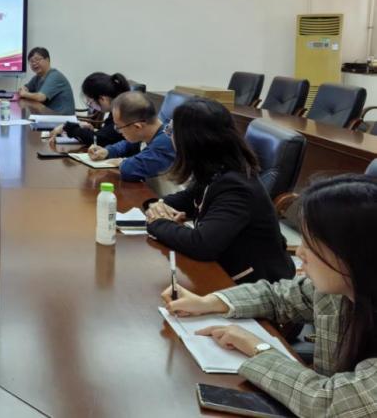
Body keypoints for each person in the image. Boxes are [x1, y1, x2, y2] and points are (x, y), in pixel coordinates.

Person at [162, 175, 377, 417]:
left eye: (312, 244)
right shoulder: (340, 290)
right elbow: (278, 296)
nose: (300, 253)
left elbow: (326, 404)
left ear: (356, 251)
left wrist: (258, 348)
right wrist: (208, 302)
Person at [145, 97, 294, 284]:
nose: (170, 136)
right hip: (225, 266)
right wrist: (156, 205)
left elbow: (202, 245)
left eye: (172, 131)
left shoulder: (237, 187)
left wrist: (157, 222)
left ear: (191, 141)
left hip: (256, 284)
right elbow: (186, 199)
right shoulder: (216, 168)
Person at [87, 91, 175, 182]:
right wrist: (107, 151)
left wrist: (122, 162)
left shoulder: (167, 140)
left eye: (119, 127)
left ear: (137, 127)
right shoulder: (148, 131)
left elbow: (130, 169)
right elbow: (127, 144)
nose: (119, 131)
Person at [49, 71, 130, 150]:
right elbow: (105, 135)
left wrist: (68, 127)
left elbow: (98, 140)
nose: (91, 106)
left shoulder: (123, 114)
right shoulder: (116, 109)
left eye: (90, 102)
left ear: (102, 99)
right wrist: (81, 127)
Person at [17, 46, 75, 115]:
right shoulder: (37, 77)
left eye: (37, 59)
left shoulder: (55, 76)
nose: (34, 63)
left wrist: (25, 94)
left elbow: (41, 97)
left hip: (63, 118)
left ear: (47, 60)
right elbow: (25, 87)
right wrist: (23, 89)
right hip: (49, 115)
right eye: (31, 61)